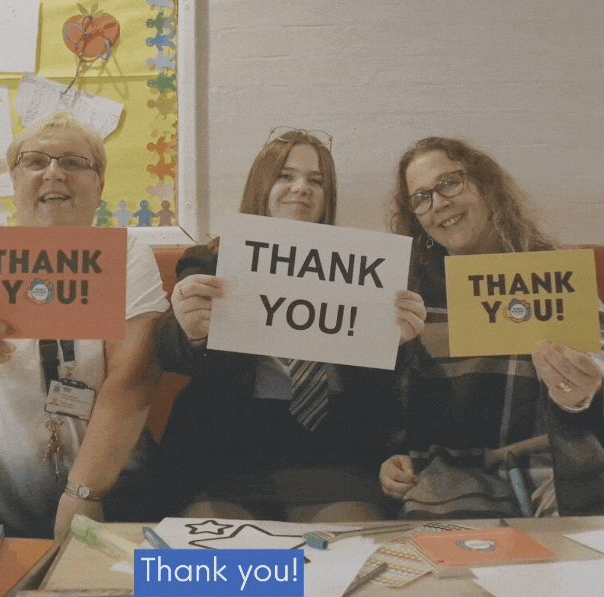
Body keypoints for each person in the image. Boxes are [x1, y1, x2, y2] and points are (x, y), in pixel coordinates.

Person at [0, 112, 170, 540]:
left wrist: (85, 492)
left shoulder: (129, 255)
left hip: (102, 473)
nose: (53, 173)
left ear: (99, 186)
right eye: (35, 161)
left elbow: (134, 376)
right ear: (14, 180)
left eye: (74, 162)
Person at [153, 128, 426, 522]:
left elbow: (383, 396)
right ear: (261, 184)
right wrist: (189, 331)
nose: (301, 188)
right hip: (229, 455)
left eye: (316, 180)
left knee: (343, 562)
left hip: (335, 455)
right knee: (215, 573)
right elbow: (168, 350)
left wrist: (394, 344)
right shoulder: (210, 260)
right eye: (285, 175)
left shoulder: (364, 267)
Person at [379, 136, 604, 518]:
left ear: (486, 186)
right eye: (421, 197)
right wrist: (391, 457)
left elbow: (599, 354)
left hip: (563, 464)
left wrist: (584, 384)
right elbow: (392, 408)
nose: (438, 203)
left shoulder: (549, 270)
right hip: (454, 477)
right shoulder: (410, 298)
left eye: (449, 183)